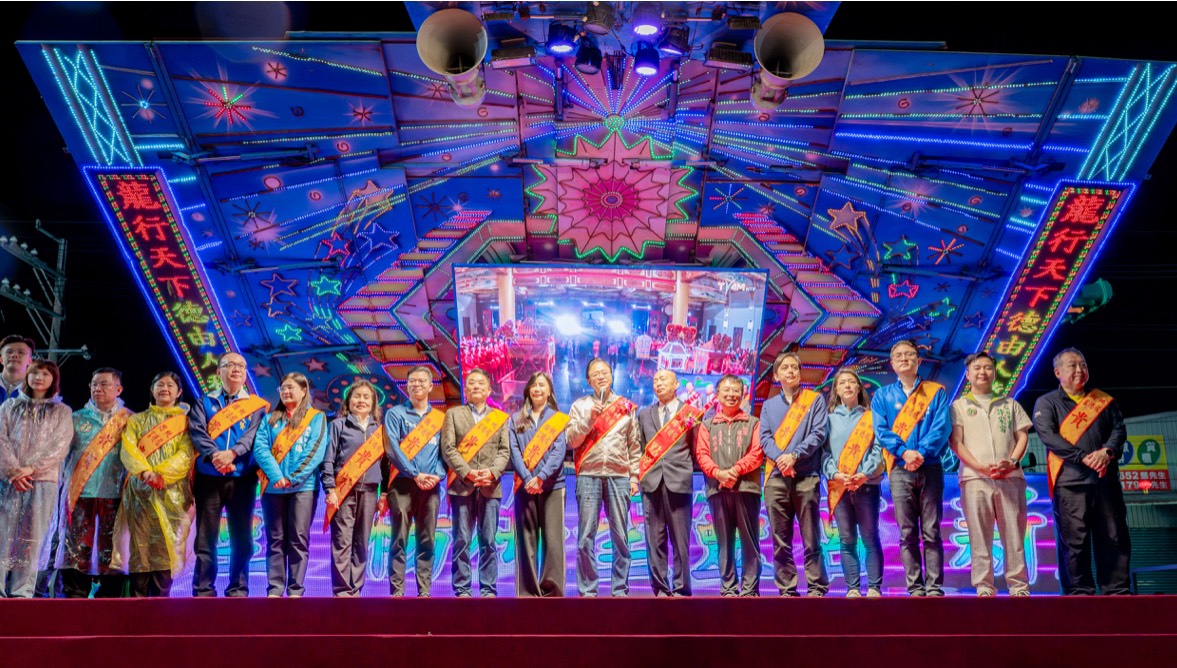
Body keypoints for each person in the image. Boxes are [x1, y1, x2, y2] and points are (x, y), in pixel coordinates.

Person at [1033, 348, 1131, 595]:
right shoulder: (1047, 403)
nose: (1079, 370)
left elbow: (1119, 430)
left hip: (1105, 481)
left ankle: (1117, 591)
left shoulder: (1104, 401)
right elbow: (1049, 436)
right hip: (1070, 483)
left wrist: (1107, 452)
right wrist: (1082, 456)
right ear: (1058, 372)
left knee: (1114, 536)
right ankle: (1079, 592)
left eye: (1083, 365)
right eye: (1072, 365)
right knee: (1074, 541)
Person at [872, 340, 951, 597]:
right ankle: (915, 587)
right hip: (899, 469)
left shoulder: (935, 392)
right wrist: (904, 452)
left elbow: (941, 427)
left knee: (932, 530)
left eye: (909, 354)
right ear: (892, 363)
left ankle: (934, 586)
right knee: (907, 532)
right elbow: (881, 430)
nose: (904, 358)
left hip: (930, 467)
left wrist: (921, 453)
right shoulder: (882, 396)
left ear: (919, 360)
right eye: (898, 355)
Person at [950, 352, 1033, 597]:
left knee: (1014, 533)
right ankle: (984, 585)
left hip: (1010, 477)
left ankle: (1018, 585)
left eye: (987, 367)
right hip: (974, 478)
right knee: (979, 533)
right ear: (968, 374)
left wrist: (1012, 462)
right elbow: (956, 442)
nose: (983, 372)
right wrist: (979, 466)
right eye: (977, 368)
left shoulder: (1010, 404)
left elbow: (1023, 436)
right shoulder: (958, 406)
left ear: (994, 373)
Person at [188, 352, 268, 597]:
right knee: (206, 537)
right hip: (208, 477)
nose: (236, 369)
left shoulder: (255, 406)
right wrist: (215, 456)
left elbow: (253, 435)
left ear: (245, 374)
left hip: (242, 478)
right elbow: (197, 432)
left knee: (242, 537)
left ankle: (238, 588)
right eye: (230, 365)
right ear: (218, 372)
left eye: (241, 366)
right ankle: (203, 589)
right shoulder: (204, 402)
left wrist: (233, 453)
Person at [111, 371, 195, 597]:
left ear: (179, 392)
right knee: (139, 544)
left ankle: (161, 601)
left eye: (170, 385)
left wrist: (161, 475)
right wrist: (146, 473)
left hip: (172, 492)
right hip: (140, 490)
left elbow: (186, 454)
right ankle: (138, 600)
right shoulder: (136, 420)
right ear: (152, 390)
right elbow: (128, 449)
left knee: (166, 545)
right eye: (160, 384)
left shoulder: (186, 423)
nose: (164, 388)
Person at [565, 358, 641, 598]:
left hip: (619, 476)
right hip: (589, 475)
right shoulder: (579, 406)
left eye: (605, 372)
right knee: (585, 537)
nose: (601, 377)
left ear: (612, 375)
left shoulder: (625, 407)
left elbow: (634, 445)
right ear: (588, 380)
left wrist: (634, 477)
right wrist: (589, 419)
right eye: (595, 374)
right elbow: (571, 441)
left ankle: (620, 590)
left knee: (620, 536)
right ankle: (588, 591)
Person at [759, 351, 829, 597]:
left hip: (806, 476)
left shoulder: (814, 400)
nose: (790, 371)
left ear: (799, 373)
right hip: (776, 479)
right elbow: (765, 439)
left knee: (811, 537)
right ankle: (787, 589)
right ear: (776, 376)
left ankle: (817, 587)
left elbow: (819, 433)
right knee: (780, 539)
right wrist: (782, 458)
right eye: (785, 368)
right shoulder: (768, 406)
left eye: (794, 368)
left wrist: (795, 455)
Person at [0, 359, 73, 597]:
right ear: (27, 376)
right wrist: (13, 471)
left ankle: (22, 591)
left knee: (32, 538)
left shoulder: (62, 412)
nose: (39, 378)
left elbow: (59, 446)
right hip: (9, 481)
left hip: (42, 481)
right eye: (35, 373)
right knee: (3, 534)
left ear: (54, 380)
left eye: (45, 374)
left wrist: (31, 468)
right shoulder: (9, 406)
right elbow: (1, 440)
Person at [56, 367, 131, 598]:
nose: (98, 388)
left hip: (116, 494)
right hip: (81, 493)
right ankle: (75, 596)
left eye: (104, 384)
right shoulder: (76, 418)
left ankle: (109, 598)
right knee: (76, 546)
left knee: (112, 548)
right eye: (94, 384)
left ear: (118, 389)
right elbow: (62, 455)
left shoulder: (130, 420)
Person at [254, 372, 327, 598]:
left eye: (290, 388)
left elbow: (315, 452)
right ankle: (275, 588)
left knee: (298, 538)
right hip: (273, 488)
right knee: (275, 539)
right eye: (282, 388)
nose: (285, 392)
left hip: (303, 488)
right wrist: (277, 476)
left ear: (304, 391)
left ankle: (296, 589)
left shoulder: (316, 418)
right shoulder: (270, 419)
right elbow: (260, 448)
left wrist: (292, 478)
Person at [441, 367, 510, 598]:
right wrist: (467, 472)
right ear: (466, 389)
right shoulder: (453, 414)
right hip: (462, 487)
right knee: (461, 539)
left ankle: (488, 588)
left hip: (490, 487)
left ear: (489, 390)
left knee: (488, 540)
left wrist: (492, 472)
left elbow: (504, 451)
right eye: (471, 383)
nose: (476, 386)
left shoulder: (499, 418)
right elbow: (448, 449)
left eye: (481, 383)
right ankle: (462, 588)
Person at [695, 374, 764, 597]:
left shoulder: (753, 423)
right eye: (726, 390)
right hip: (717, 490)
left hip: (747, 489)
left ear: (743, 394)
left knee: (749, 542)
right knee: (724, 542)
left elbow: (757, 453)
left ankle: (750, 590)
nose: (731, 394)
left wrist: (735, 471)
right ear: (717, 395)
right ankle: (728, 589)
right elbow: (702, 454)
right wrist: (719, 473)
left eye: (736, 390)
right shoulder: (707, 425)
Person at [635, 368, 699, 597]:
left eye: (663, 379)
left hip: (679, 482)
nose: (658, 383)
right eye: (655, 380)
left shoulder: (689, 413)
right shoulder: (644, 414)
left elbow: (695, 448)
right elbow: (641, 449)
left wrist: (684, 469)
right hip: (651, 483)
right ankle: (660, 589)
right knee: (654, 540)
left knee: (681, 540)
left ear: (676, 384)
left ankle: (681, 588)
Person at [822, 368, 884, 598]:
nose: (847, 386)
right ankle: (853, 588)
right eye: (842, 383)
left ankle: (875, 587)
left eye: (851, 382)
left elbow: (879, 449)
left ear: (859, 387)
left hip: (866, 485)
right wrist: (835, 474)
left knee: (870, 536)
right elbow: (824, 453)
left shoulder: (872, 417)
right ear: (836, 390)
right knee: (847, 538)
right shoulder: (828, 419)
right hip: (839, 486)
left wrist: (864, 474)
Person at [384, 365, 445, 597]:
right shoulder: (395, 414)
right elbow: (392, 449)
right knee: (398, 539)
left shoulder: (439, 419)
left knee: (427, 538)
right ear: (407, 385)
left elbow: (445, 453)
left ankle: (424, 592)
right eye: (412, 381)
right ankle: (397, 592)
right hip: (402, 484)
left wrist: (437, 475)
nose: (416, 385)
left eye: (421, 381)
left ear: (430, 386)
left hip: (431, 486)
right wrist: (414, 474)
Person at [323, 380, 386, 597]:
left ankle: (355, 590)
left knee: (361, 542)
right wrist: (330, 488)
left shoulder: (379, 431)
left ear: (373, 403)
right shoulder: (338, 425)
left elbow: (385, 466)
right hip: (343, 492)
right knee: (342, 541)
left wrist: (384, 494)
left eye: (366, 397)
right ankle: (342, 592)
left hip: (370, 491)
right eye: (357, 396)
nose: (361, 401)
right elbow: (328, 459)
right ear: (349, 401)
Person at [509, 371, 568, 597]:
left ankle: (552, 590)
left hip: (552, 486)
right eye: (533, 385)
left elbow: (559, 452)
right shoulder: (516, 420)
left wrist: (541, 476)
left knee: (553, 541)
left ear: (549, 390)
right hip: (524, 487)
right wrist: (528, 478)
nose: (537, 389)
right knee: (526, 540)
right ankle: (527, 591)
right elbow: (514, 451)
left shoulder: (557, 419)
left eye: (542, 385)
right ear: (528, 391)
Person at [0, 335, 34, 404]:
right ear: (1, 360)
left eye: (21, 352)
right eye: (9, 352)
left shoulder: (36, 389)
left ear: (30, 361)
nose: (14, 355)